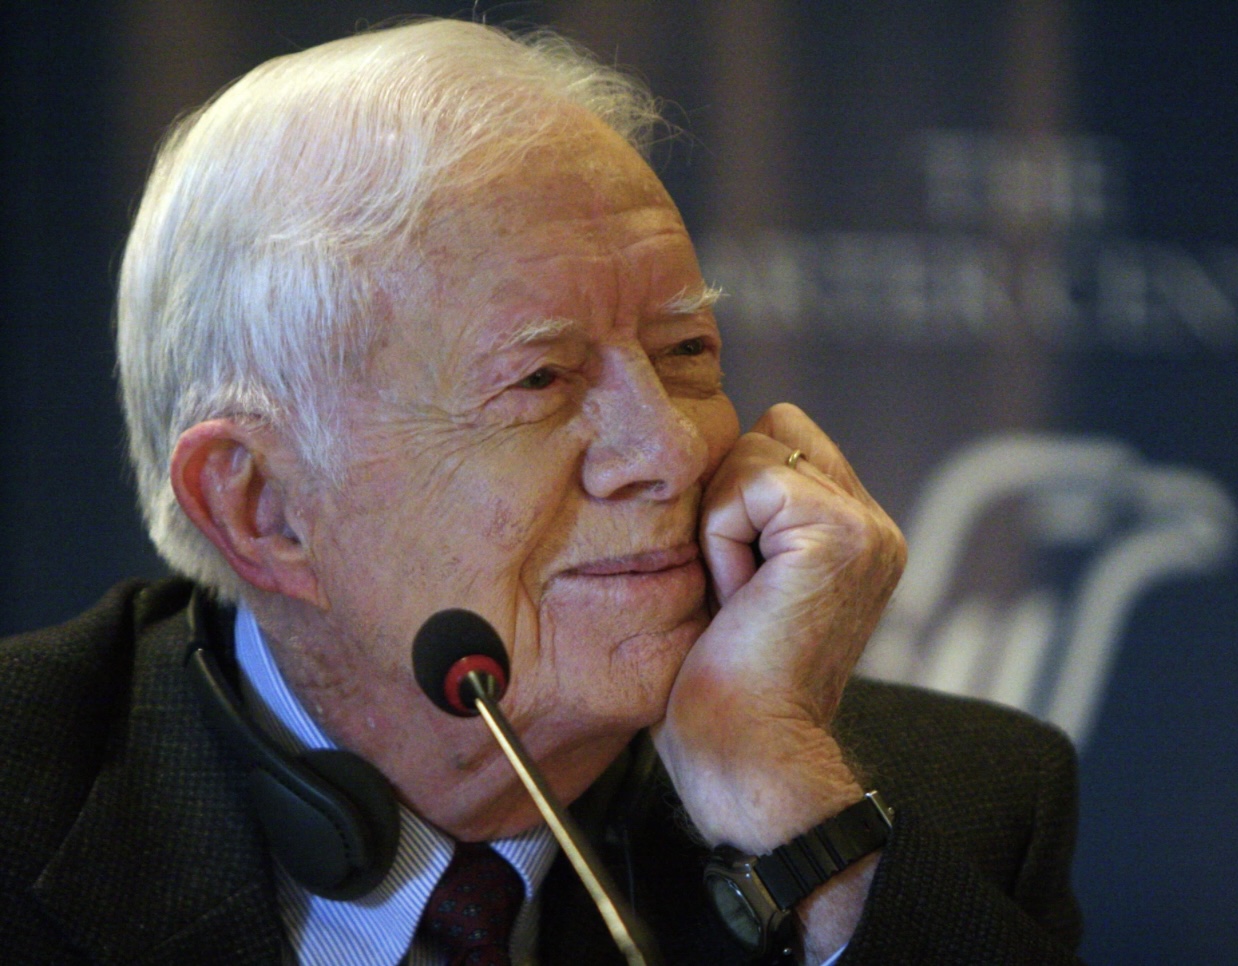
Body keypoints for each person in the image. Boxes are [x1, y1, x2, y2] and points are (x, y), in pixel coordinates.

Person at [0, 19, 1083, 965]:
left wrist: (797, 822)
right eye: (540, 380)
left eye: (686, 351)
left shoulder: (944, 809)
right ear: (263, 508)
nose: (670, 449)